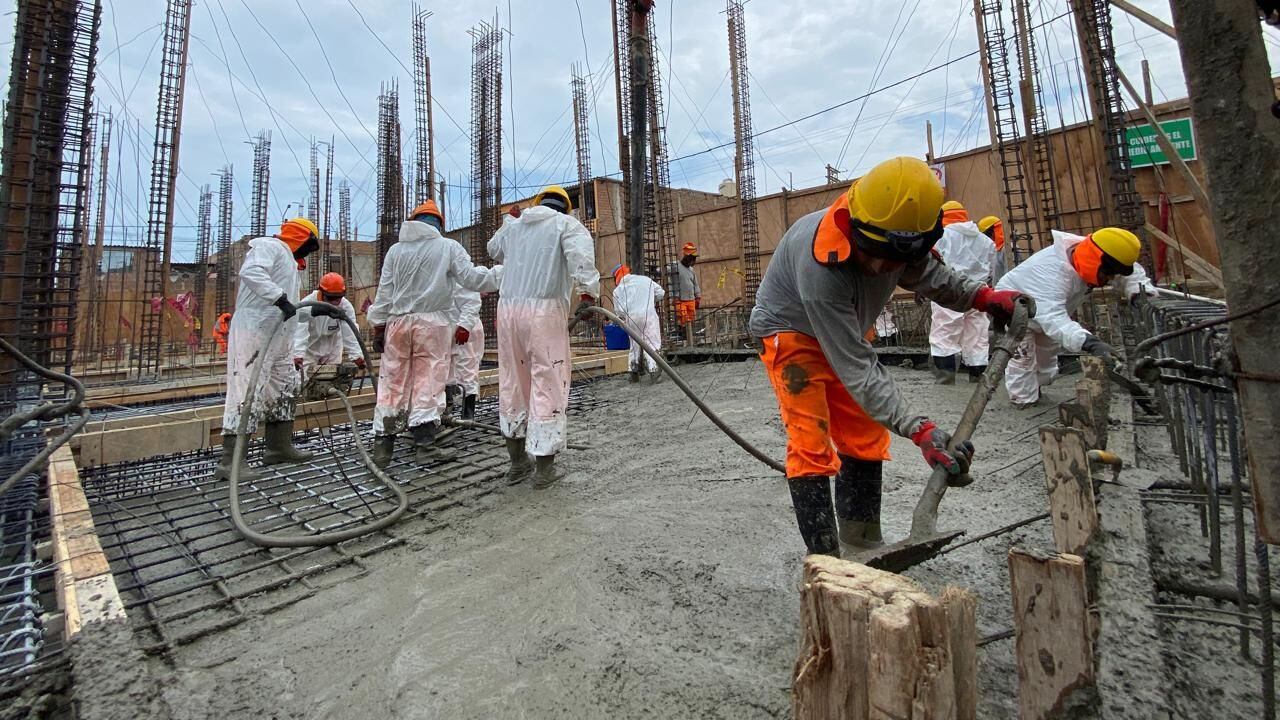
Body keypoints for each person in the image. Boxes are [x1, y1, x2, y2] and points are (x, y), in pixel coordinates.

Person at [747, 156, 1031, 556]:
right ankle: (826, 561)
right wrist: (919, 429)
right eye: (877, 254)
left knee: (865, 434)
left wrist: (982, 297)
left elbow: (932, 276)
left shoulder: (897, 237)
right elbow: (857, 366)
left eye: (897, 261)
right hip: (790, 333)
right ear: (855, 231)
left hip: (845, 330)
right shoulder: (820, 264)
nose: (884, 267)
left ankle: (862, 542)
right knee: (810, 440)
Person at [367, 199, 500, 466]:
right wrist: (507, 272)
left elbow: (384, 295)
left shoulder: (395, 251)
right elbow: (473, 280)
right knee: (428, 382)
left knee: (392, 383)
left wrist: (379, 327)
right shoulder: (448, 247)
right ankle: (425, 446)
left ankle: (382, 448)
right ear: (439, 225)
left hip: (397, 324)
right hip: (433, 324)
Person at [487, 185, 600, 487]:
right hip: (545, 310)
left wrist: (508, 221)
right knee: (548, 380)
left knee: (513, 382)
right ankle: (544, 470)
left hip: (509, 312)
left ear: (537, 203)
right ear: (565, 207)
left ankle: (516, 464)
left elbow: (492, 249)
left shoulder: (515, 228)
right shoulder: (566, 225)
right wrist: (588, 295)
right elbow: (581, 259)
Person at [997, 227, 1155, 408]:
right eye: (1107, 274)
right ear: (1094, 259)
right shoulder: (1049, 273)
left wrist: (1139, 294)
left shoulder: (1088, 251)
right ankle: (1022, 401)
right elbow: (1055, 320)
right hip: (1015, 310)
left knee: (1046, 366)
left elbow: (1132, 273)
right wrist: (1090, 343)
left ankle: (1036, 388)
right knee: (1023, 359)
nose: (1110, 279)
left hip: (1049, 311)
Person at [215, 217, 321, 482]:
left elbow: (290, 309)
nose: (308, 252)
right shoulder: (269, 246)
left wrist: (309, 310)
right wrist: (279, 297)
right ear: (301, 237)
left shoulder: (289, 263)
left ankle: (277, 446)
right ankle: (232, 461)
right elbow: (251, 273)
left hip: (279, 336)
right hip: (254, 330)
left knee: (285, 385)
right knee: (247, 389)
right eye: (310, 245)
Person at [928, 201, 997, 384]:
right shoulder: (986, 242)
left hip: (948, 291)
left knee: (945, 333)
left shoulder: (942, 236)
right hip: (978, 292)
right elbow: (991, 270)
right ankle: (977, 376)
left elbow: (932, 263)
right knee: (977, 335)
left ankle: (946, 379)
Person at [293, 272, 363, 382]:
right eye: (331, 298)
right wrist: (298, 354)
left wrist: (356, 355)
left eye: (338, 298)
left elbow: (350, 331)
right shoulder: (308, 303)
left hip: (332, 346)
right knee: (304, 381)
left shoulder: (345, 306)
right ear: (322, 293)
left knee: (332, 379)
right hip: (310, 348)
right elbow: (300, 329)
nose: (335, 302)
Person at [611, 262, 665, 382]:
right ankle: (654, 371)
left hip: (631, 318)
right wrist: (650, 300)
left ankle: (633, 372)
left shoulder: (618, 290)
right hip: (649, 315)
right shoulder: (645, 280)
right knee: (652, 343)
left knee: (634, 346)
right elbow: (661, 293)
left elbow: (619, 312)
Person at [446, 282, 484, 422]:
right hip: (447, 327)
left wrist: (465, 326)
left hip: (466, 329)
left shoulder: (461, 274)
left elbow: (471, 302)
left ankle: (468, 415)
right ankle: (446, 412)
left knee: (467, 369)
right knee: (445, 371)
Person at [675, 242, 701, 335]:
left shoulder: (691, 270)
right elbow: (666, 269)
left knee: (691, 320)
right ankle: (683, 336)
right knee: (683, 320)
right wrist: (656, 270)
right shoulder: (676, 266)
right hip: (680, 299)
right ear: (687, 258)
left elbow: (695, 284)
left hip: (691, 299)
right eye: (693, 260)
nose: (694, 262)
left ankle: (690, 337)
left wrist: (698, 297)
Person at [977, 216, 1007, 285]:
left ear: (993, 232)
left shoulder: (1007, 249)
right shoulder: (998, 249)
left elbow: (1010, 273)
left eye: (987, 235)